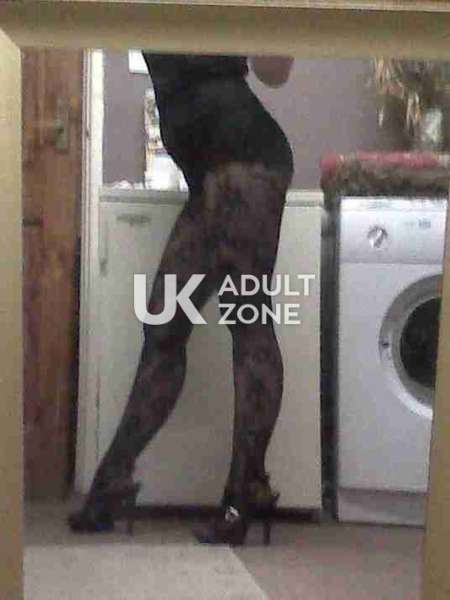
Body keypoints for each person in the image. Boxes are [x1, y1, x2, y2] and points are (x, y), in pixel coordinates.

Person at [69, 53, 294, 546]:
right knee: (164, 325)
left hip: (246, 162)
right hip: (210, 175)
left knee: (246, 318)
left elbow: (276, 70)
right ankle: (114, 480)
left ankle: (243, 491)